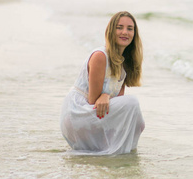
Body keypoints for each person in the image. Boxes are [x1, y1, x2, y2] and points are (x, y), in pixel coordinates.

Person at [60, 11, 145, 155]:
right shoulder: (100, 56)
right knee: (132, 103)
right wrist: (105, 95)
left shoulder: (124, 64)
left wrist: (106, 96)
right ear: (111, 31)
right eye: (119, 27)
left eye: (130, 29)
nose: (125, 32)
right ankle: (113, 151)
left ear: (134, 35)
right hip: (79, 111)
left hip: (94, 113)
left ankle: (116, 150)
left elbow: (118, 106)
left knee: (138, 123)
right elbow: (94, 100)